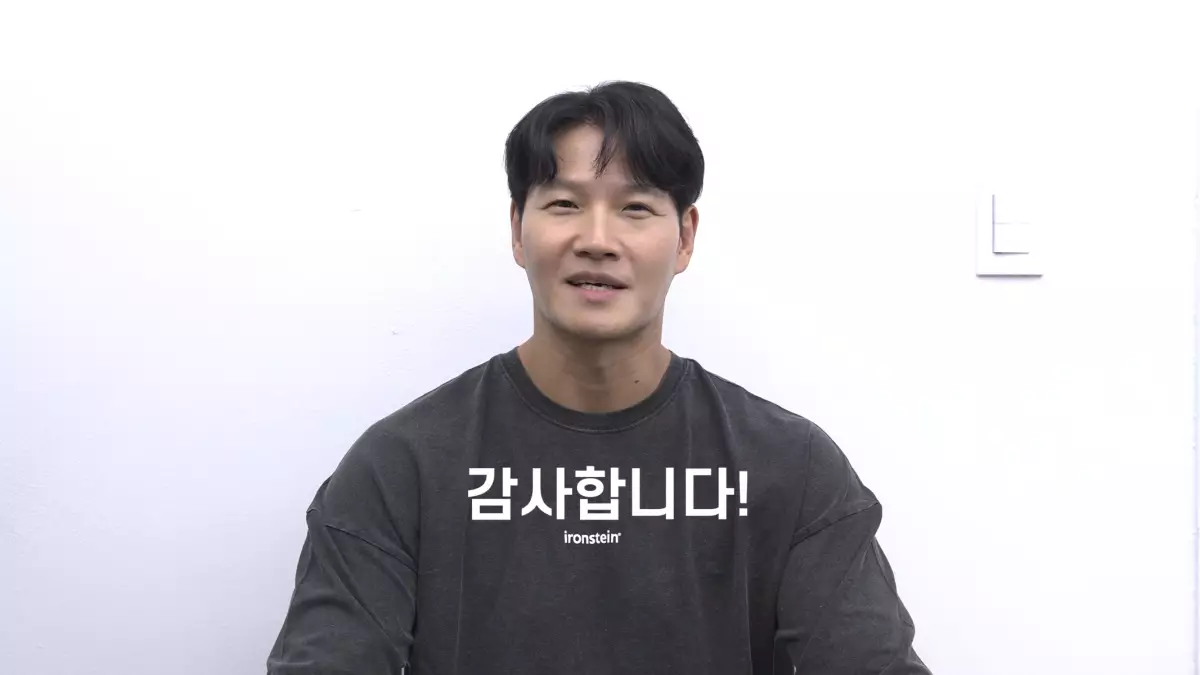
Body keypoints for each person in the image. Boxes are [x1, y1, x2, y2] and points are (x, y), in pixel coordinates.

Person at [265, 80, 931, 675]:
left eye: (635, 208)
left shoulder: (790, 466)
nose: (597, 239)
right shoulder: (401, 466)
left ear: (685, 237)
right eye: (564, 203)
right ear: (518, 230)